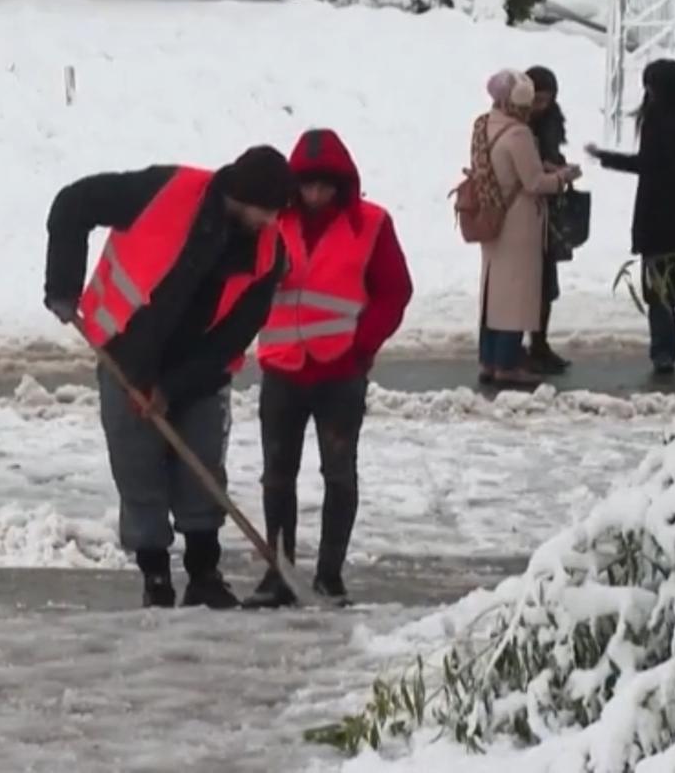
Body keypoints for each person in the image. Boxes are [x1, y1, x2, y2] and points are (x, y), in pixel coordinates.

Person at [42, 147, 296, 609]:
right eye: (269, 210)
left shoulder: (267, 254)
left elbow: (230, 342)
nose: (272, 221)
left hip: (199, 370)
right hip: (126, 353)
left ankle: (204, 574)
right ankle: (155, 578)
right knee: (137, 469)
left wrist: (171, 390)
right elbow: (72, 204)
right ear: (243, 195)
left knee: (203, 470)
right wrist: (62, 284)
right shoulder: (165, 191)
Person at [240, 128, 413, 609]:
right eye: (307, 185)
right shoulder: (273, 223)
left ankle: (329, 576)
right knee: (277, 475)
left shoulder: (371, 225)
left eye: (326, 185)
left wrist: (362, 347)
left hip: (340, 373)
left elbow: (394, 291)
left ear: (343, 184)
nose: (316, 194)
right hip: (282, 371)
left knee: (339, 474)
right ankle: (280, 574)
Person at [586, 58, 675, 377]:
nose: (648, 92)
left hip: (663, 219)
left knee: (667, 293)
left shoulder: (666, 119)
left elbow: (651, 165)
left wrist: (607, 158)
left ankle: (667, 353)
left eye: (652, 86)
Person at [476, 70, 582, 387]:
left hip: (493, 215)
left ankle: (488, 359)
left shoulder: (485, 123)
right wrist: (565, 176)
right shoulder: (519, 134)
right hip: (520, 222)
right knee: (516, 295)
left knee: (493, 294)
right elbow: (535, 183)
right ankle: (507, 364)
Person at [524, 65, 574, 374]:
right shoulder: (518, 125)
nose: (541, 106)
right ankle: (527, 344)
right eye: (537, 99)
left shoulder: (552, 122)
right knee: (528, 283)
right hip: (528, 212)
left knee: (546, 282)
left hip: (549, 210)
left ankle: (539, 342)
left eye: (547, 99)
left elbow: (550, 154)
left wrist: (559, 168)